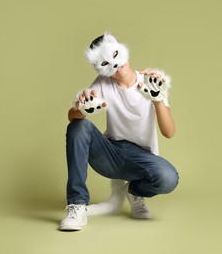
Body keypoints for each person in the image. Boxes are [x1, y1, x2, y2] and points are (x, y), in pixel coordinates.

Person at [59, 32, 179, 231]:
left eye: (115, 54)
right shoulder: (102, 83)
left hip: (141, 159)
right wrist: (81, 109)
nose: (115, 65)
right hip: (110, 153)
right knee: (78, 125)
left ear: (123, 49)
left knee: (168, 178)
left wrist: (158, 100)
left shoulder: (150, 82)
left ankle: (134, 191)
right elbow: (72, 117)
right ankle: (77, 205)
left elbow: (169, 132)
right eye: (105, 63)